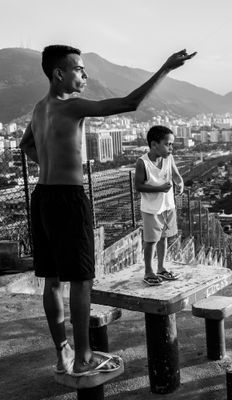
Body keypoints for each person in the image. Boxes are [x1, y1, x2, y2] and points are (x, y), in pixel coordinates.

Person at [18, 45, 195, 376]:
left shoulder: (39, 108)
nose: (85, 75)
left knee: (52, 281)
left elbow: (25, 144)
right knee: (81, 280)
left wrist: (50, 166)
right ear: (59, 73)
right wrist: (166, 68)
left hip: (42, 196)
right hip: (68, 198)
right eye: (79, 69)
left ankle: (64, 353)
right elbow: (130, 103)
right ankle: (84, 359)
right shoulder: (71, 106)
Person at [135, 125, 184, 286]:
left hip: (168, 206)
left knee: (164, 238)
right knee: (151, 241)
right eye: (167, 144)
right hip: (152, 209)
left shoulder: (169, 159)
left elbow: (176, 175)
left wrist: (180, 183)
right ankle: (148, 271)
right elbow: (138, 186)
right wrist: (159, 188)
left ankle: (161, 268)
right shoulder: (143, 163)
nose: (171, 148)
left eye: (172, 144)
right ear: (154, 144)